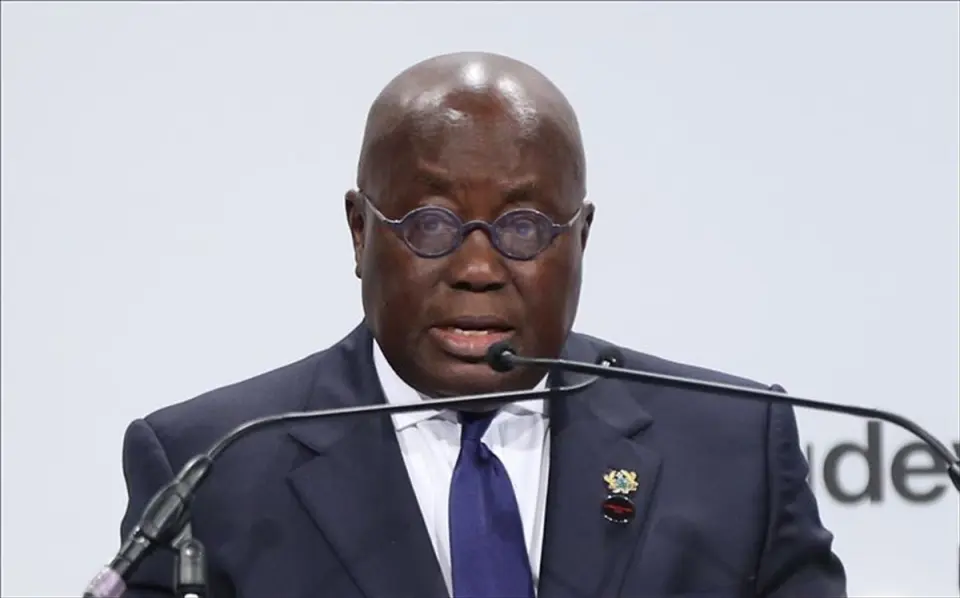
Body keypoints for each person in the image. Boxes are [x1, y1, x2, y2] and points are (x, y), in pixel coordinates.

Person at [117, 52, 847, 598]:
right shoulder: (211, 466)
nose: (477, 267)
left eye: (524, 227)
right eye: (430, 224)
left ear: (581, 239)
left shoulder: (734, 450)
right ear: (359, 232)